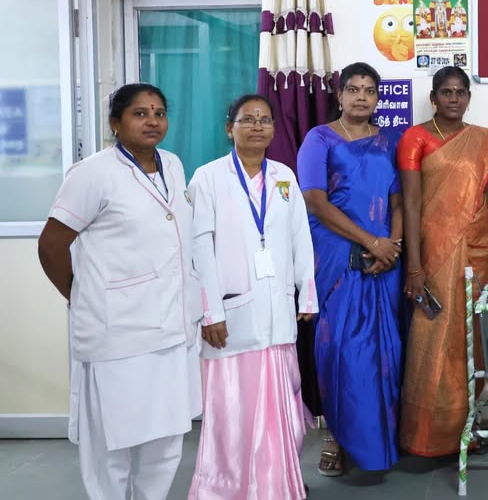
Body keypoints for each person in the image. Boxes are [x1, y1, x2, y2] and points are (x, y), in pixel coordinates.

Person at [37, 83, 201, 500]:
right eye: (139, 113)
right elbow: (52, 245)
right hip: (118, 333)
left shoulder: (173, 165)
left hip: (172, 328)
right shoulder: (93, 173)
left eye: (159, 113)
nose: (152, 121)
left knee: (165, 439)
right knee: (113, 442)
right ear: (115, 123)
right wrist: (79, 296)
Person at [186, 94, 317, 499]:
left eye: (265, 119)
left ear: (274, 129)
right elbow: (198, 248)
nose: (257, 126)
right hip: (230, 316)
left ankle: (276, 481)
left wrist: (307, 295)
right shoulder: (208, 178)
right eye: (247, 119)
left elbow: (300, 237)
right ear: (230, 129)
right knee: (233, 415)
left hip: (277, 314)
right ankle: (228, 488)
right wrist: (210, 312)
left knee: (285, 412)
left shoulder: (284, 177)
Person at [397, 66, 488, 457]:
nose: (454, 99)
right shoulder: (415, 138)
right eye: (446, 92)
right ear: (433, 97)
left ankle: (468, 424)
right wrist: (414, 267)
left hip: (478, 253)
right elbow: (411, 203)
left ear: (469, 97)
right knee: (433, 338)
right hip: (433, 253)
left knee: (472, 339)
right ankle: (429, 435)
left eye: (460, 92)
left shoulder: (483, 140)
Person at [296, 62, 404, 476]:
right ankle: (335, 437)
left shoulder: (389, 141)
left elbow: (398, 202)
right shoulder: (319, 138)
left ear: (377, 98)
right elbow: (315, 201)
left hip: (384, 261)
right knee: (340, 351)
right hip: (338, 257)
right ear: (339, 95)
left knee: (383, 353)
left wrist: (391, 247)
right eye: (354, 89)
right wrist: (370, 242)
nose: (361, 97)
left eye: (369, 90)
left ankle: (380, 438)